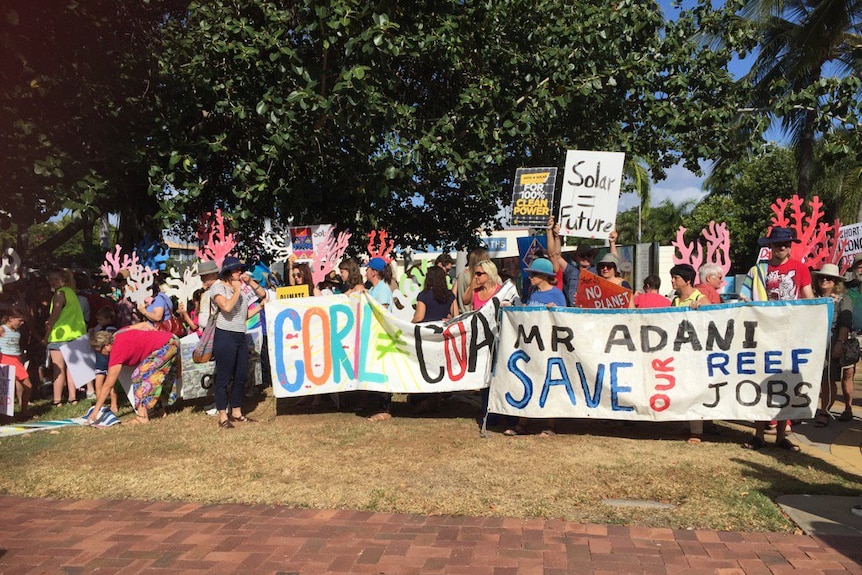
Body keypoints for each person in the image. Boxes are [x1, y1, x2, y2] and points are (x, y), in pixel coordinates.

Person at [740, 226, 813, 452]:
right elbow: (744, 297)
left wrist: (821, 310)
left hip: (789, 335)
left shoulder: (800, 269)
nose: (783, 247)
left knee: (787, 384)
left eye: (786, 244)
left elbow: (808, 298)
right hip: (763, 334)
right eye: (779, 244)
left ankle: (781, 435)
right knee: (761, 381)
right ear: (769, 247)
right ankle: (759, 435)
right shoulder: (758, 270)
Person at [211, 256, 268, 429]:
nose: (239, 273)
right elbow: (226, 307)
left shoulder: (241, 290)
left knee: (241, 375)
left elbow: (243, 316)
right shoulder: (217, 287)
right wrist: (236, 291)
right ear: (228, 272)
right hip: (224, 335)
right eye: (236, 270)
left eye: (240, 270)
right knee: (223, 377)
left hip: (239, 335)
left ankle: (236, 411)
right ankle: (222, 414)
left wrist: (259, 307)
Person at [87, 326, 179, 425]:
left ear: (106, 345)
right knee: (153, 379)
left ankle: (142, 417)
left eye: (100, 351)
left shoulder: (116, 351)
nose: (101, 354)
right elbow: (143, 326)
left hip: (165, 345)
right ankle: (159, 412)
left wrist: (96, 411)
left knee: (138, 376)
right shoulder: (118, 335)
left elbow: (108, 385)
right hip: (171, 339)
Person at [669, 264, 709, 443]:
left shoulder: (701, 299)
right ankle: (685, 423)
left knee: (695, 389)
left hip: (695, 354)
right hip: (680, 352)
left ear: (687, 280)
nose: (672, 281)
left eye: (675, 278)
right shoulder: (675, 300)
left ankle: (697, 431)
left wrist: (700, 310)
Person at [812, 264, 853, 427]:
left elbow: (845, 323)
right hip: (813, 339)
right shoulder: (812, 296)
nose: (824, 280)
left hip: (832, 338)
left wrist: (839, 343)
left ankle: (825, 411)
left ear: (836, 281)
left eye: (829, 278)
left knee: (828, 377)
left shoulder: (843, 298)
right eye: (822, 277)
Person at [45, 268, 87, 407]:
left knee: (58, 369)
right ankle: (72, 397)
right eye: (51, 279)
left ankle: (57, 400)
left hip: (60, 334)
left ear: (63, 280)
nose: (53, 282)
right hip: (75, 333)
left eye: (55, 279)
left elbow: (55, 315)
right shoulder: (72, 294)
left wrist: (47, 328)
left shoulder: (59, 294)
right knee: (72, 368)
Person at [364, 257, 394, 421]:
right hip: (374, 335)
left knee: (383, 371)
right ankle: (376, 405)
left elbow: (381, 311)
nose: (365, 272)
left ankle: (385, 408)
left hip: (382, 336)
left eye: (368, 269)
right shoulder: (374, 289)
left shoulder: (383, 290)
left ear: (374, 272)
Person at [0, 308, 32, 419]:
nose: (22, 323)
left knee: (28, 385)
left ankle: (24, 410)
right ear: (11, 319)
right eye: (20, 321)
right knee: (5, 389)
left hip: (16, 359)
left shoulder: (17, 332)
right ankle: (4, 414)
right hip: (4, 358)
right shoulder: (2, 329)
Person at [88, 306, 119, 417]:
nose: (98, 321)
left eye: (100, 319)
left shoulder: (109, 331)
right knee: (101, 384)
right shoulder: (102, 331)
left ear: (109, 319)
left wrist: (91, 334)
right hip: (101, 361)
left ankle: (112, 404)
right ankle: (103, 405)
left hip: (107, 362)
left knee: (109, 385)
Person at [455, 249, 490, 313]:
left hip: (462, 314)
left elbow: (453, 294)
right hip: (475, 314)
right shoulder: (482, 276)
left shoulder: (461, 275)